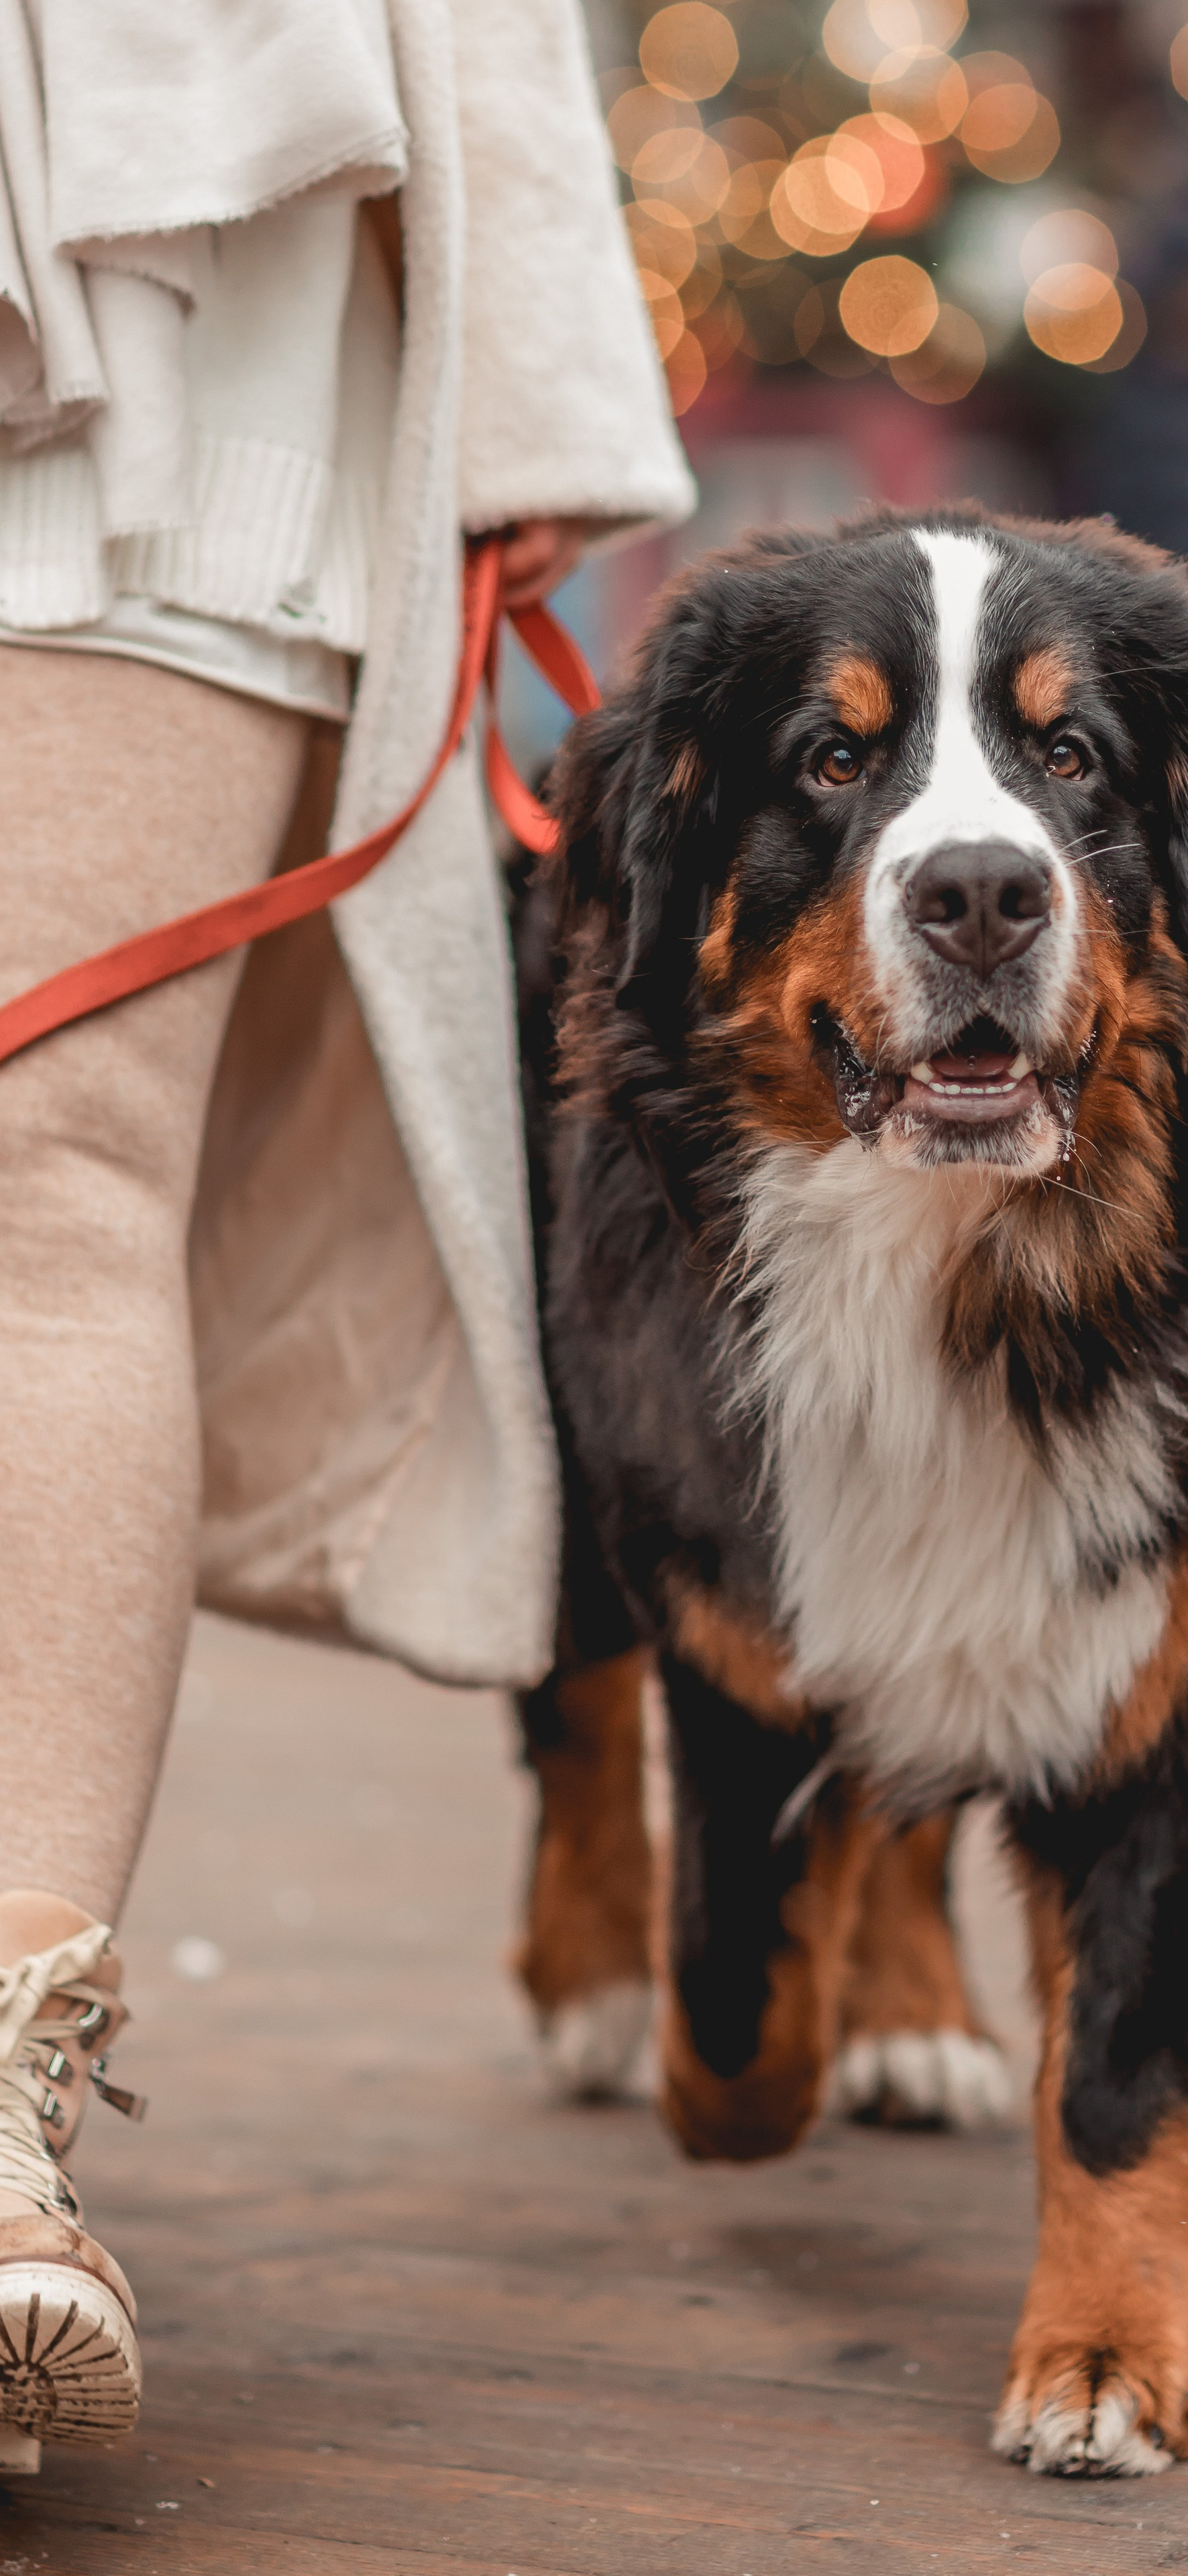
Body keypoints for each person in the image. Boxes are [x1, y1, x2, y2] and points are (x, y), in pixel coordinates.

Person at [0, 0, 693, 2469]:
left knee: (49, 1176)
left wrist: (519, 377)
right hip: (173, 211)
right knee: (51, 1200)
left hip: (140, 240)